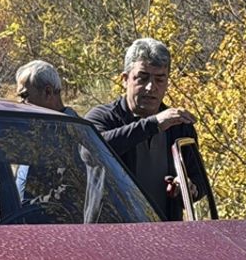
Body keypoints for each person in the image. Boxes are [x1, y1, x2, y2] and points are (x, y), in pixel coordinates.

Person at [85, 38, 208, 221]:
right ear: (125, 80)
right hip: (110, 235)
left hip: (164, 235)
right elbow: (93, 148)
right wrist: (153, 125)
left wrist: (188, 188)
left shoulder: (179, 126)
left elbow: (200, 181)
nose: (151, 87)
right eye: (142, 78)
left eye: (160, 79)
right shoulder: (102, 117)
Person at [13, 60, 79, 205]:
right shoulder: (40, 128)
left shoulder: (71, 133)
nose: (20, 103)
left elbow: (69, 191)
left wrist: (27, 208)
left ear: (48, 92)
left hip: (45, 225)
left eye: (24, 96)